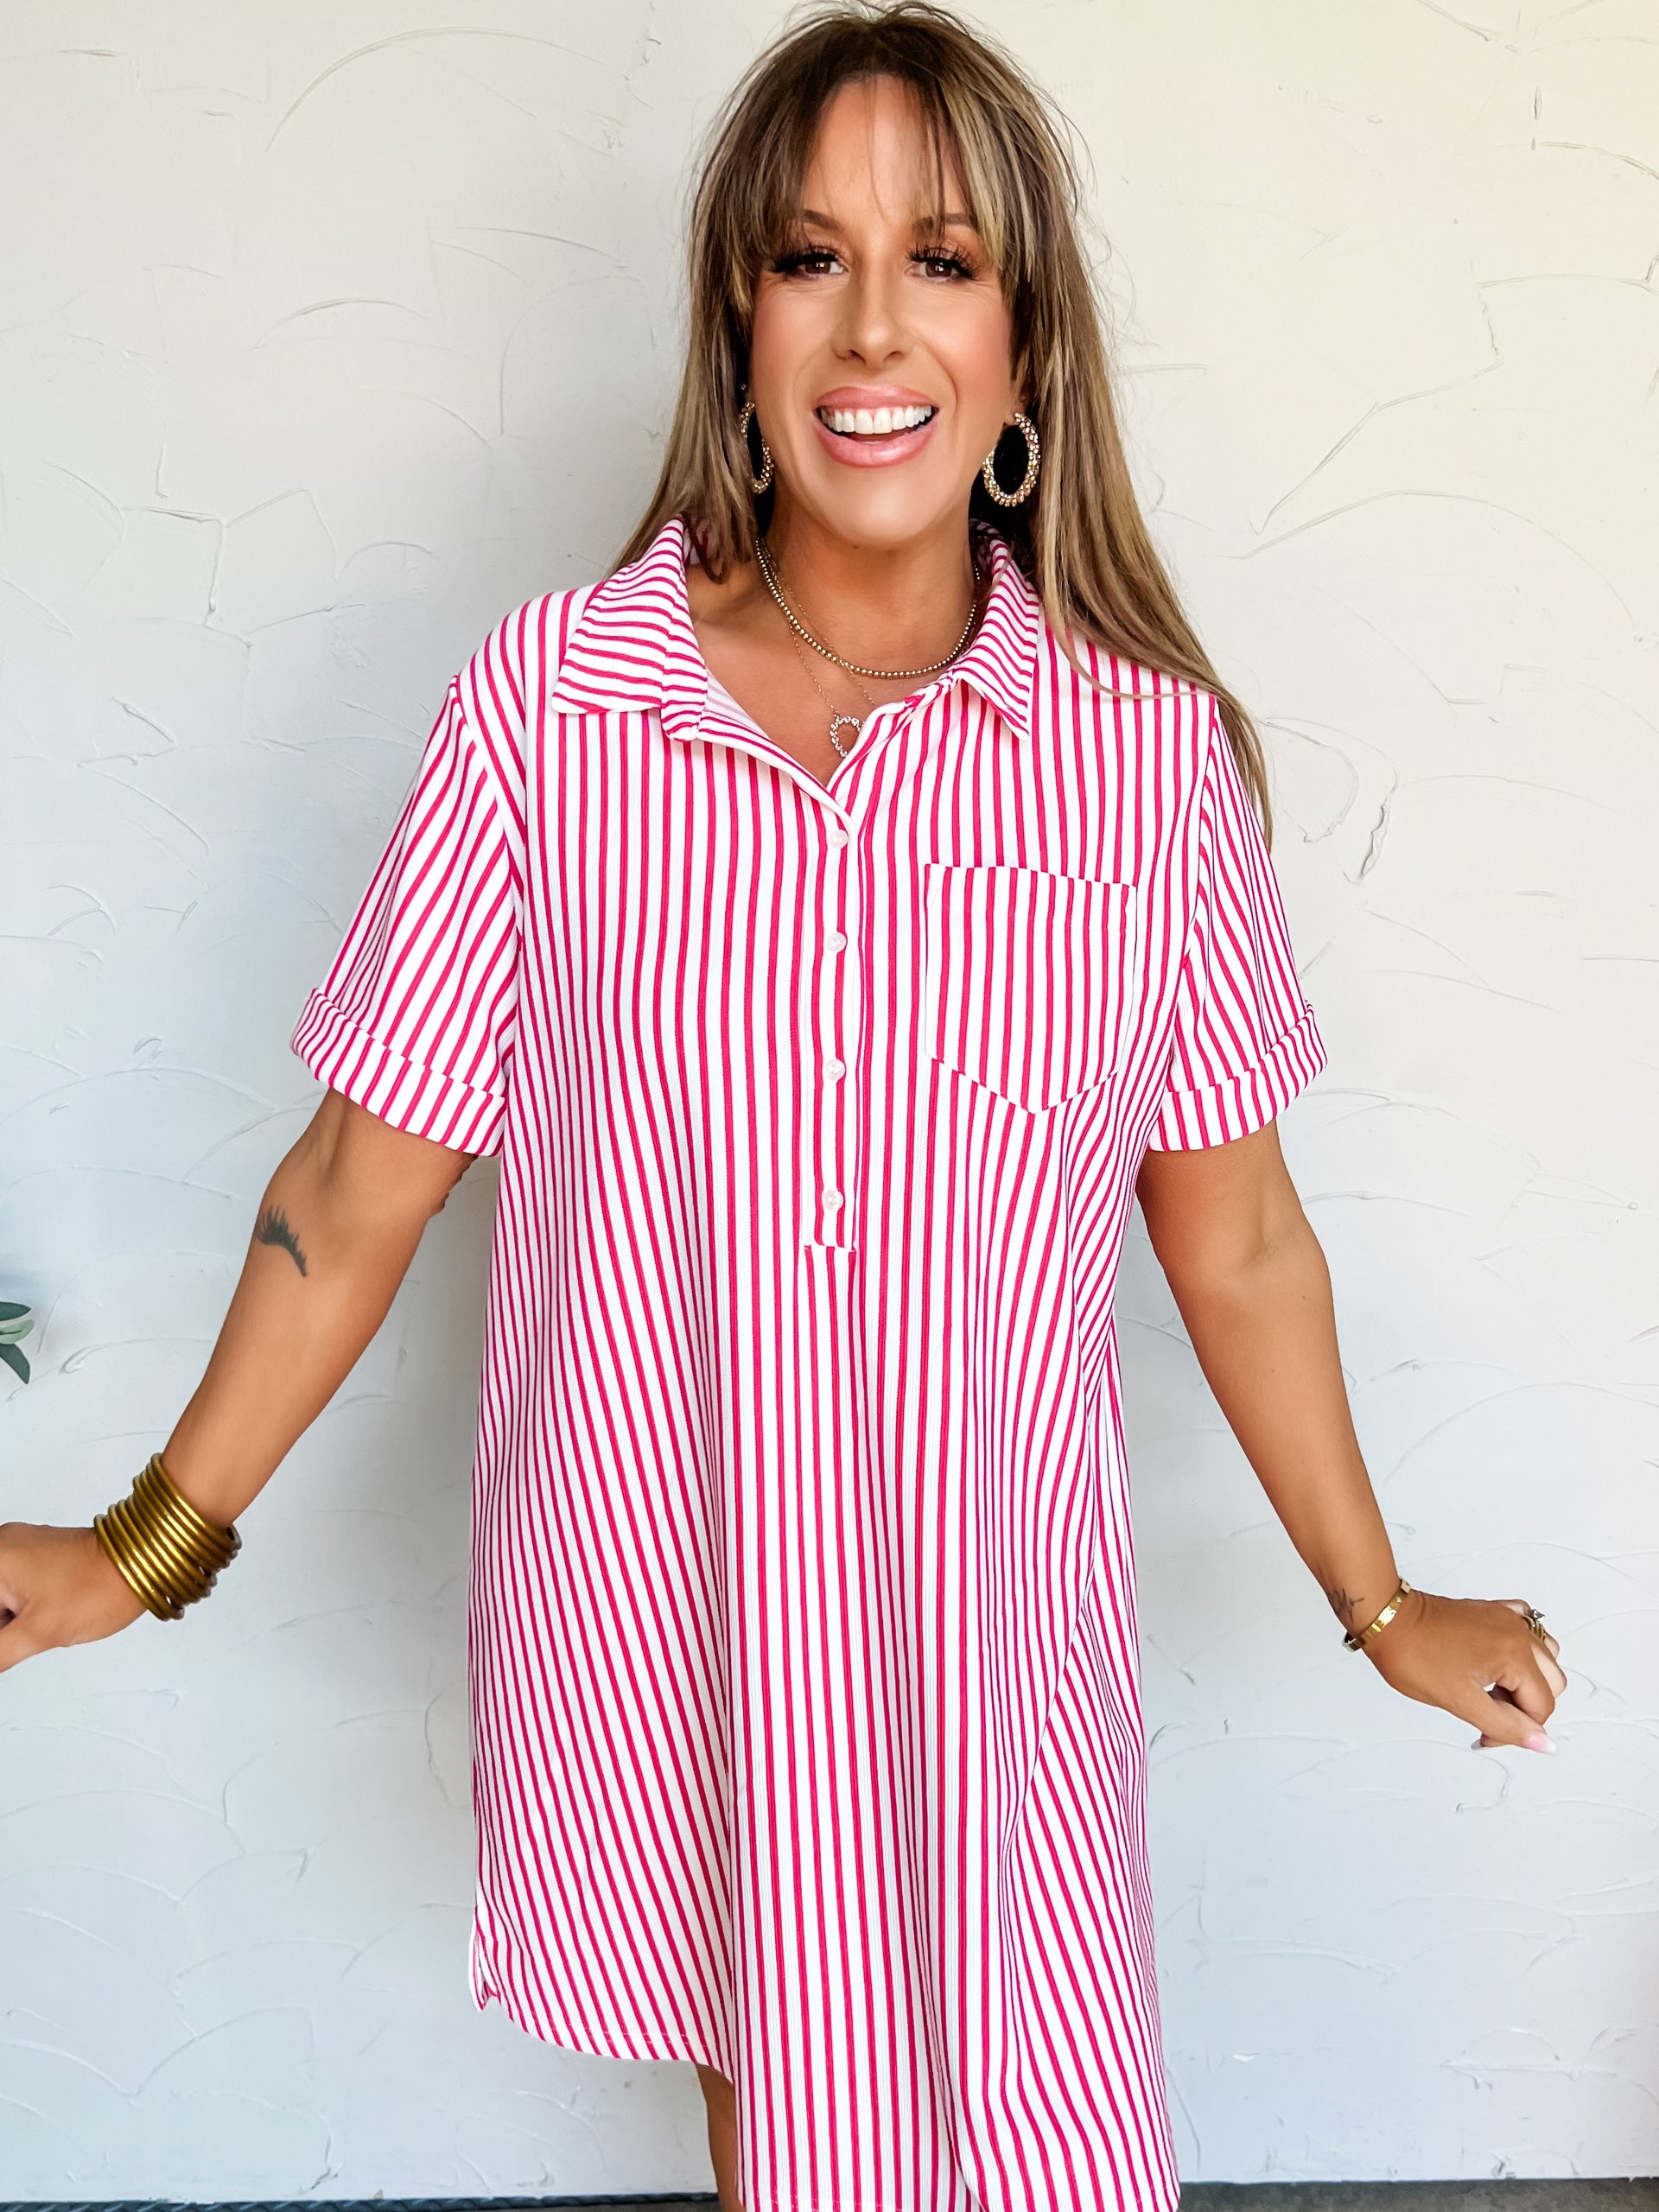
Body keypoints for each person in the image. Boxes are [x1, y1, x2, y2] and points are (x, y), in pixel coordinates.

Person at [0, 6, 1568, 2209]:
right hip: (673, 1619)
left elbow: (1238, 1233)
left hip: (987, 1664)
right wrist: (133, 1551)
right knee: (797, 2156)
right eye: (807, 256)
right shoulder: (555, 717)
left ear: (1025, 351)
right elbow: (360, 1182)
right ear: (737, 324)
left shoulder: (1142, 767)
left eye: (942, 259)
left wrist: (1381, 1602)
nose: (872, 325)